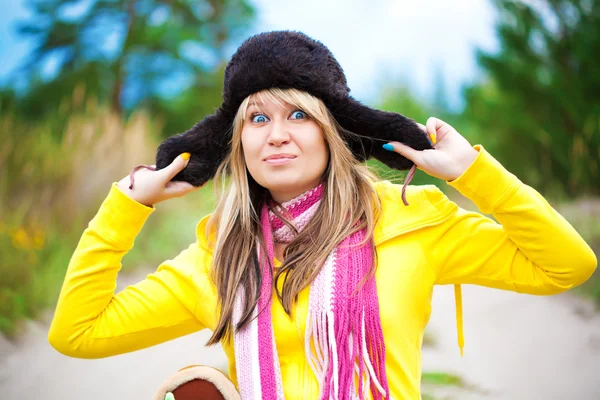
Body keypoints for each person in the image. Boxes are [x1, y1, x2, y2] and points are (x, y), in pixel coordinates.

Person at [48, 31, 597, 400]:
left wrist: (473, 175)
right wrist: (128, 205)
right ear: (238, 144)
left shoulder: (411, 222)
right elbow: (77, 332)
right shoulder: (218, 258)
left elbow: (566, 265)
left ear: (332, 132)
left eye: (298, 115)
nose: (278, 134)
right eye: (257, 118)